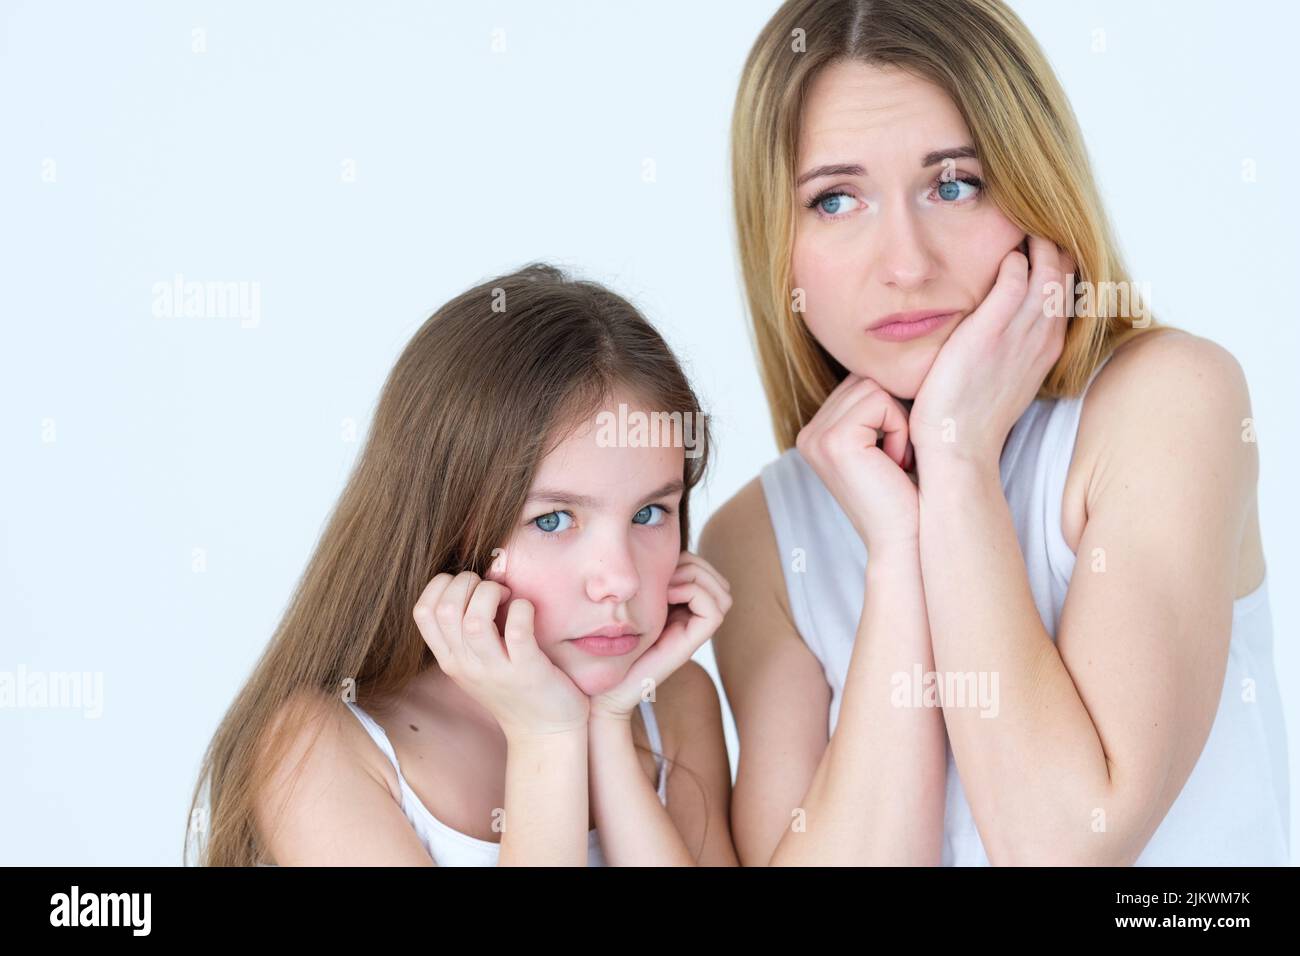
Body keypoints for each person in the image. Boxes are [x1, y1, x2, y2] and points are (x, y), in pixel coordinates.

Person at [704, 0, 1287, 865]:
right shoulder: (756, 540)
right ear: (775, 243)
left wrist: (960, 457)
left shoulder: (1168, 402)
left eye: (954, 183)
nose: (905, 263)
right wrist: (900, 548)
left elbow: (1064, 843)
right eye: (835, 200)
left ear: (1035, 192)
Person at [186, 263, 738, 866]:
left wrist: (606, 727)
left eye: (650, 513)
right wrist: (547, 738)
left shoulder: (675, 702)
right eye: (552, 520)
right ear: (449, 527)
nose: (622, 579)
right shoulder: (326, 747)